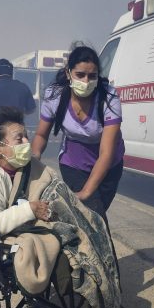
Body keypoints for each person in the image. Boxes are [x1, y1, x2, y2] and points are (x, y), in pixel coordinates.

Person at [0, 107, 121, 308]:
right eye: (19, 138)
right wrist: (30, 209)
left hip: (28, 224)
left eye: (26, 136)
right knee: (60, 245)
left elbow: (55, 191)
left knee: (91, 226)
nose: (26, 142)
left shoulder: (30, 166)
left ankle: (104, 295)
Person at [31, 46, 125, 228]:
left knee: (92, 215)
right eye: (80, 75)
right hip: (74, 162)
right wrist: (34, 161)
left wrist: (86, 192)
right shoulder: (55, 95)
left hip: (109, 164)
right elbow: (41, 134)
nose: (86, 81)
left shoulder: (109, 97)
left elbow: (106, 153)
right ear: (68, 73)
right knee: (96, 220)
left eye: (92, 76)